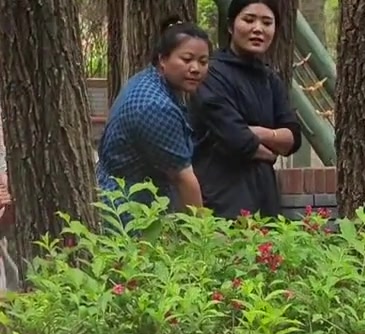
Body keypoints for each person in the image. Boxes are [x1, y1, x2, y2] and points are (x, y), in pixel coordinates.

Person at [188, 0, 302, 219]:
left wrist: (258, 133)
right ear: (231, 26)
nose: (258, 29)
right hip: (221, 200)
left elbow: (293, 137)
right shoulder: (211, 75)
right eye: (249, 20)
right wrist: (271, 143)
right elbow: (235, 138)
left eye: (267, 22)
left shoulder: (271, 79)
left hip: (266, 199)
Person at [96, 18, 211, 212]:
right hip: (129, 209)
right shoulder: (156, 106)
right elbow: (184, 179)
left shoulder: (148, 80)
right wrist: (203, 235)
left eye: (203, 62)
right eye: (186, 59)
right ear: (162, 59)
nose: (195, 68)